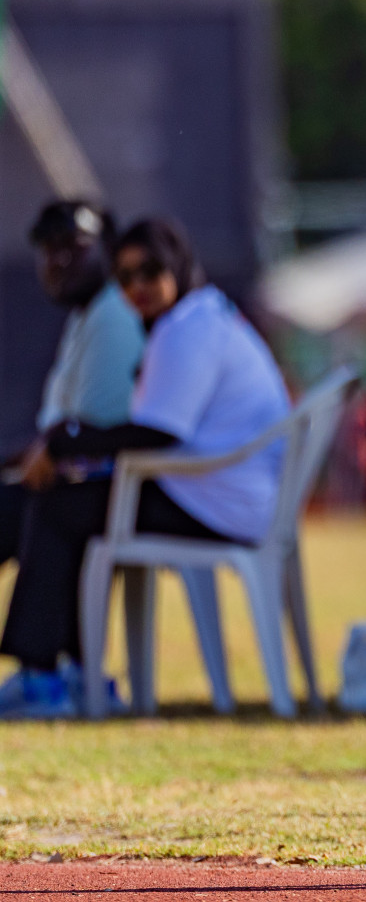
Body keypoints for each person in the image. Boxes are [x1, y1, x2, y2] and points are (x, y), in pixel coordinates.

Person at [0, 217, 291, 717]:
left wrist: (69, 441)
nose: (137, 288)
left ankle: (46, 677)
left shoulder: (187, 329)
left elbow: (158, 432)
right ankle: (71, 673)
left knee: (56, 508)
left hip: (214, 502)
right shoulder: (202, 316)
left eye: (150, 271)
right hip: (219, 494)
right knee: (53, 505)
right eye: (125, 276)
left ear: (178, 264)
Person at [0, 201, 143, 570]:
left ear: (110, 250)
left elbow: (80, 447)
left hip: (106, 500)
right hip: (91, 493)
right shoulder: (90, 312)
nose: (58, 260)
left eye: (73, 247)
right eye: (48, 249)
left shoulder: (114, 311)